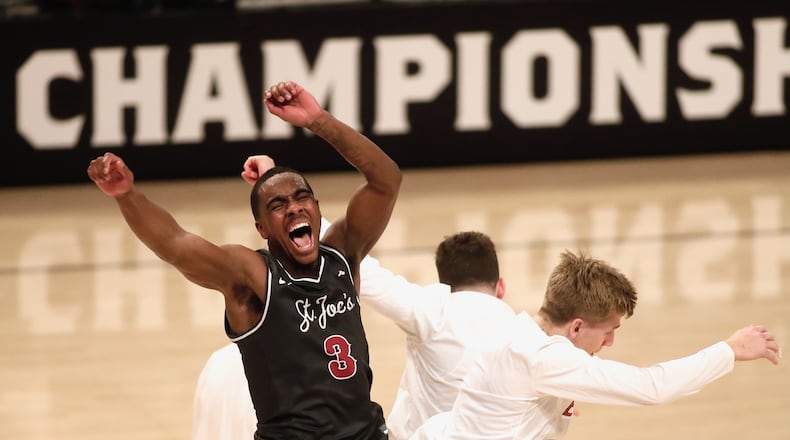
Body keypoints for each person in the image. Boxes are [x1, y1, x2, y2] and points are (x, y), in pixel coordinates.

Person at [88, 80, 402, 440]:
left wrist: (318, 120)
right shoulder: (253, 276)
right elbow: (175, 244)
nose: (295, 207)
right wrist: (126, 195)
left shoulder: (342, 255)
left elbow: (386, 181)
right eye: (278, 205)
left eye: (302, 198)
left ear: (317, 209)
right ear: (262, 228)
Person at [191, 155, 516, 440]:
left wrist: (276, 193)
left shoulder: (426, 309)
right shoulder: (523, 337)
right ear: (500, 288)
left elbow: (337, 252)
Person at [412, 250, 782, 440]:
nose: (611, 341)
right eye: (608, 330)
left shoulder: (520, 329)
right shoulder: (542, 358)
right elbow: (651, 387)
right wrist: (729, 349)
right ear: (576, 326)